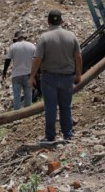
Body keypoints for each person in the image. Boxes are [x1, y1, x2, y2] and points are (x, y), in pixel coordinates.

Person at [30, 10, 82, 143]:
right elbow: (78, 56)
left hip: (49, 78)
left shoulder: (44, 37)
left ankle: (50, 136)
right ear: (62, 21)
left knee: (50, 107)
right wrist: (78, 73)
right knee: (65, 106)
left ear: (48, 22)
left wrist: (32, 77)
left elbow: (37, 58)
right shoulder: (71, 36)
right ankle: (68, 135)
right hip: (67, 77)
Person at [2, 30, 36, 110]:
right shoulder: (32, 46)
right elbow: (36, 60)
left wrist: (4, 72)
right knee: (28, 94)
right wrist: (35, 74)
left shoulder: (13, 47)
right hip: (28, 74)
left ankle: (17, 114)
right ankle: (28, 113)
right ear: (24, 37)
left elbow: (8, 60)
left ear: (16, 39)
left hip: (16, 75)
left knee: (17, 95)